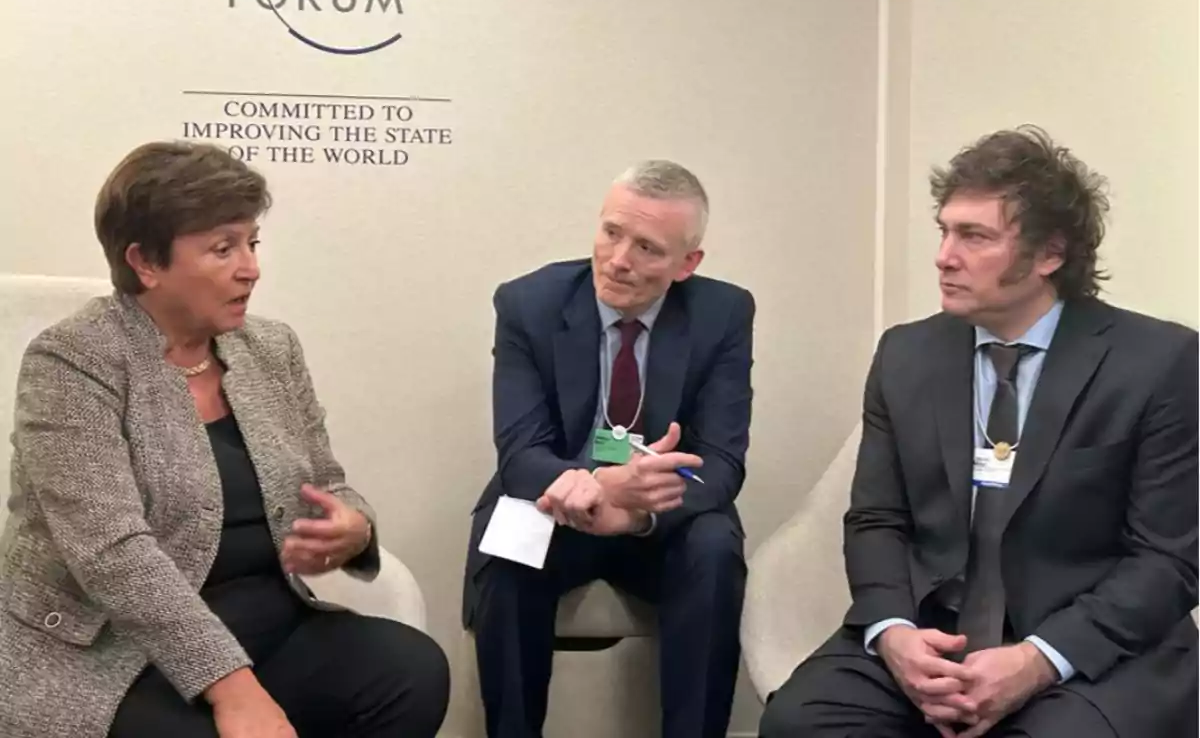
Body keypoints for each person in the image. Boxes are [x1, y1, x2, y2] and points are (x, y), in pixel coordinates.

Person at [758, 125, 1198, 738]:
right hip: (933, 632)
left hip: (1088, 648)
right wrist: (894, 633)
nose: (944, 255)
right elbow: (876, 520)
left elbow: (1167, 561)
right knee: (797, 723)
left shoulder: (1158, 362)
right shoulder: (905, 355)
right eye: (944, 230)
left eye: (974, 236)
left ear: (1049, 254)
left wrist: (1038, 660)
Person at [0, 141, 450, 738]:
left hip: (268, 622)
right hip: (113, 652)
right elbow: (112, 554)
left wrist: (354, 529)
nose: (251, 267)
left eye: (252, 242)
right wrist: (234, 690)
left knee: (410, 673)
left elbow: (327, 481)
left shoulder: (270, 348)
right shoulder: (73, 362)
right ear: (145, 262)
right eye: (222, 248)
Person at [462, 160, 755, 737]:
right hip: (558, 500)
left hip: (661, 514)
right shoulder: (528, 303)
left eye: (647, 247)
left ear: (687, 264)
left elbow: (722, 463)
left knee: (716, 547)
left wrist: (639, 507)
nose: (619, 259)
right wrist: (600, 486)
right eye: (611, 232)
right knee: (508, 545)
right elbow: (521, 452)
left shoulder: (724, 314)